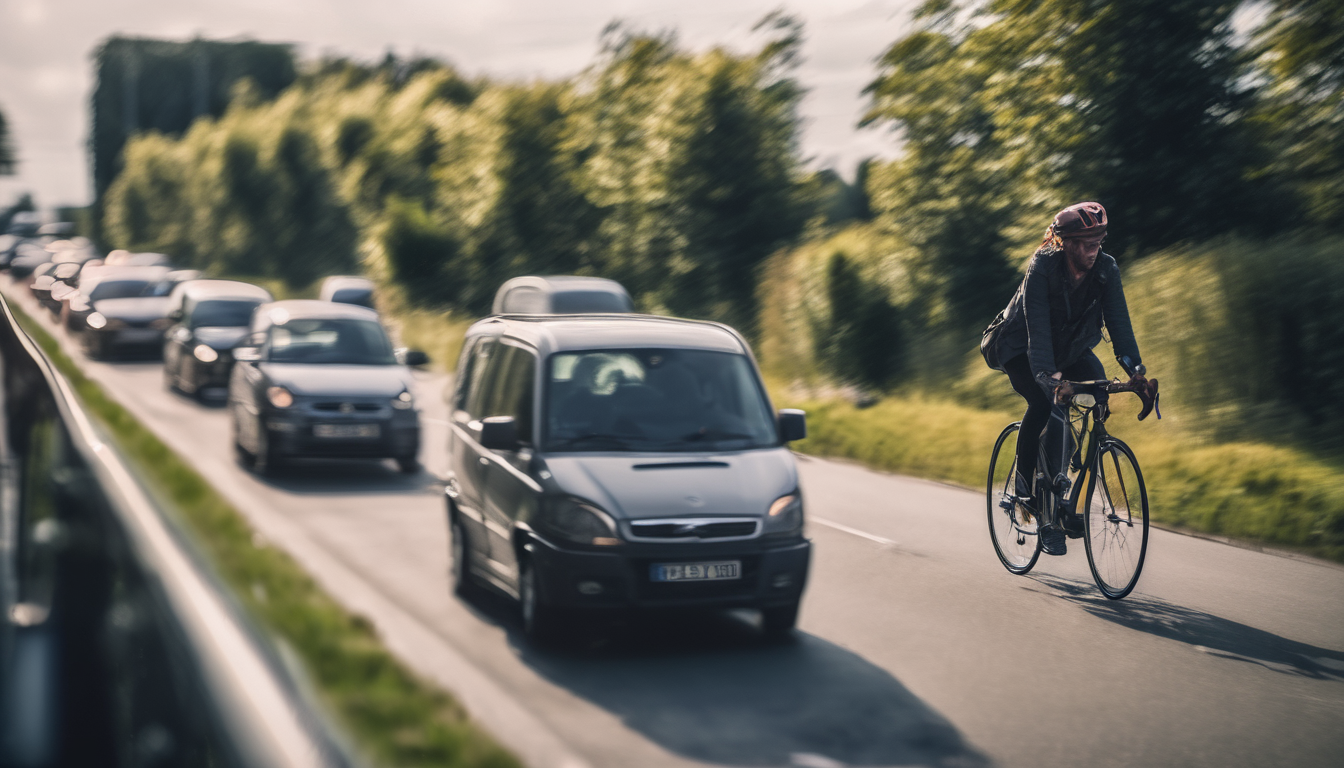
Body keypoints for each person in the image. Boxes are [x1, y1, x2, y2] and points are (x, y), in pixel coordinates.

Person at [982, 202, 1147, 556]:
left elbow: (1119, 324)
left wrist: (1136, 371)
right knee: (1044, 403)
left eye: (1099, 241)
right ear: (1067, 242)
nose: (1095, 249)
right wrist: (1047, 376)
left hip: (1070, 350)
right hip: (1021, 348)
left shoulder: (1105, 268)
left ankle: (1069, 496)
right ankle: (1027, 491)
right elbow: (1037, 329)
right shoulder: (1043, 266)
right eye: (1088, 243)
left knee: (1099, 393)